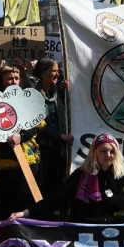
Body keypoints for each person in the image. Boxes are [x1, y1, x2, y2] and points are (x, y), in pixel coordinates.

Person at [15, 133, 124, 225]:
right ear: (95, 153)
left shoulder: (121, 173)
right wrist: (25, 213)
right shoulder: (81, 174)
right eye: (103, 151)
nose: (108, 155)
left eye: (111, 151)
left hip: (109, 225)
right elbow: (54, 198)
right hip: (83, 226)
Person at [0, 65, 43, 217]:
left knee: (26, 201)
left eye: (16, 78)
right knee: (7, 203)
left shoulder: (28, 100)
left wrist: (22, 136)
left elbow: (38, 124)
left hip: (27, 159)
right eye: (10, 78)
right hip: (3, 161)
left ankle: (26, 235)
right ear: (2, 81)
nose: (13, 81)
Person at [32, 58, 71, 202]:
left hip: (59, 145)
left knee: (58, 177)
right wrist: (60, 136)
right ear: (43, 74)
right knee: (44, 179)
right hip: (43, 145)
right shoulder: (34, 95)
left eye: (57, 70)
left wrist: (66, 90)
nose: (58, 73)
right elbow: (38, 124)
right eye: (54, 71)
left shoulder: (57, 91)